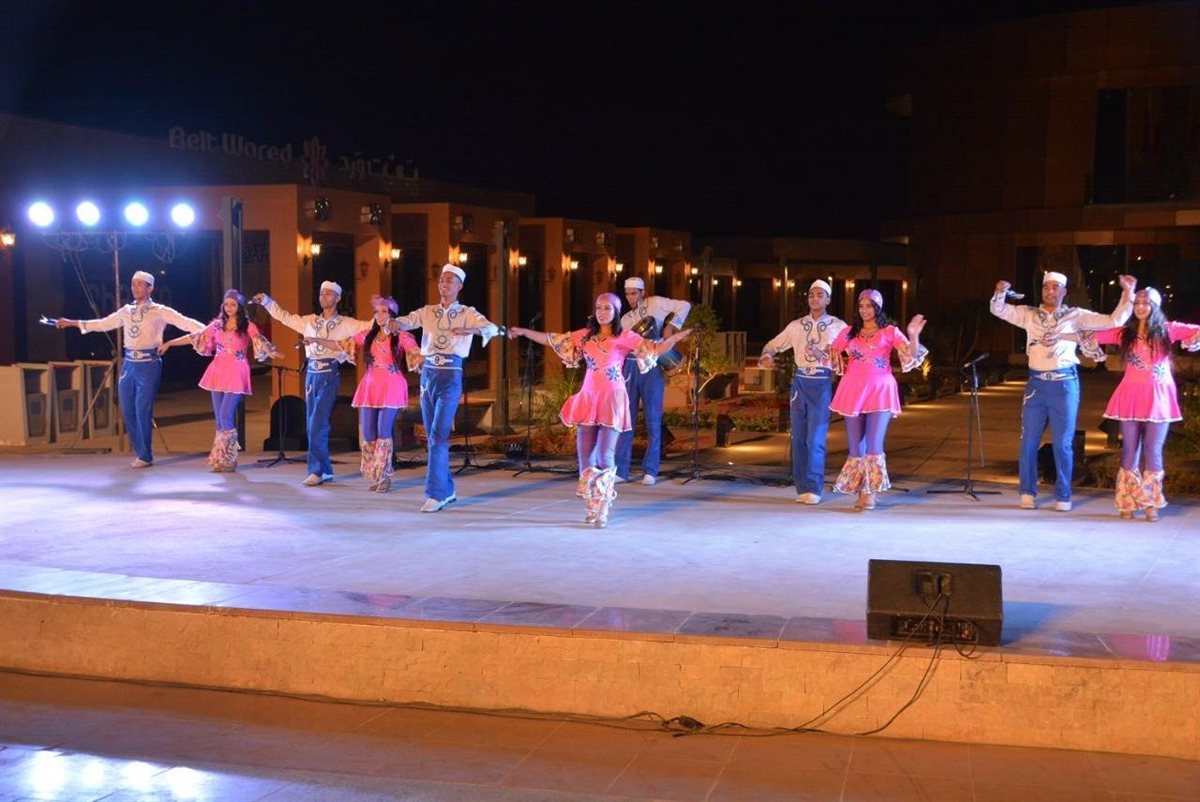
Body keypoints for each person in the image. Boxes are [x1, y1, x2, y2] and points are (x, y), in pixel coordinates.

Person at [508, 292, 692, 527]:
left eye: (607, 308)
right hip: (588, 398)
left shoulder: (624, 336)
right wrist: (524, 332)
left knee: (605, 454)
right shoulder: (585, 336)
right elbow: (553, 339)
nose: (602, 312)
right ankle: (591, 506)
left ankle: (603, 507)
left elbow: (654, 348)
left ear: (616, 312)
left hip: (611, 399)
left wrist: (674, 339)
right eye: (599, 308)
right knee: (585, 457)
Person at [990, 271, 1136, 511]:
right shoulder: (1029, 314)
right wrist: (1000, 292)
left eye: (1055, 287)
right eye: (1046, 287)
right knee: (1028, 442)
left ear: (1064, 291)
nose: (1050, 291)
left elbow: (1114, 320)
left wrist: (1127, 293)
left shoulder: (1075, 315)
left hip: (1064, 384)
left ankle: (1063, 495)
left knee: (1063, 444)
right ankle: (1027, 491)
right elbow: (999, 310)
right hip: (1036, 385)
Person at [54, 270, 206, 468]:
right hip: (129, 364)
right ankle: (140, 451)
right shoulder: (126, 310)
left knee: (142, 409)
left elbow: (186, 322)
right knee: (127, 410)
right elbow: (103, 324)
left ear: (150, 288)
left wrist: (209, 330)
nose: (135, 288)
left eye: (140, 284)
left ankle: (145, 455)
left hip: (148, 364)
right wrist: (72, 323)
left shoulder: (160, 310)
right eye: (133, 284)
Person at [1075, 288, 1199, 521]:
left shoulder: (1168, 330)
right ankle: (1127, 500)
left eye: (1146, 302)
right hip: (1130, 397)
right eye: (1137, 303)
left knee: (1153, 450)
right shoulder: (1126, 333)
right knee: (1129, 450)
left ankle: (1150, 502)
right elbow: (1090, 335)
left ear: (1155, 306)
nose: (1141, 306)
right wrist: (1057, 334)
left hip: (1159, 399)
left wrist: (1193, 340)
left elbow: (1196, 331)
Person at [393, 264, 501, 512]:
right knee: (432, 437)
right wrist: (391, 321)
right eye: (441, 280)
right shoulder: (428, 311)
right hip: (428, 375)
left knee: (439, 435)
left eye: (449, 280)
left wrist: (469, 329)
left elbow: (492, 329)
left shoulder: (467, 312)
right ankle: (447, 489)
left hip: (450, 375)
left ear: (459, 286)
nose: (443, 284)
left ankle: (436, 493)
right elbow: (406, 321)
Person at [253, 281, 376, 486]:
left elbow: (370, 326)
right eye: (321, 293)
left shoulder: (346, 323)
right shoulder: (309, 321)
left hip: (329, 373)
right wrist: (267, 302)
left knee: (317, 423)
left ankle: (316, 470)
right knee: (312, 424)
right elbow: (284, 317)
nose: (323, 297)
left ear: (337, 298)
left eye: (328, 294)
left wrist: (382, 311)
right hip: (311, 374)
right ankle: (324, 470)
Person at [304, 295, 421, 493]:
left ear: (392, 314)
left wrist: (428, 357)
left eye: (384, 312)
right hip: (369, 386)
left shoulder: (401, 336)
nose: (379, 315)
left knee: (383, 431)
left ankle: (383, 476)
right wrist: (316, 339)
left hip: (391, 386)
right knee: (367, 433)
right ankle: (375, 475)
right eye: (376, 312)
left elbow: (416, 353)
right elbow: (341, 345)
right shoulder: (367, 335)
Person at [828, 289, 927, 511]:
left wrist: (913, 335)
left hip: (880, 390)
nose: (864, 310)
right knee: (856, 447)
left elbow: (911, 355)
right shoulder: (849, 332)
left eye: (869, 306)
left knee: (874, 444)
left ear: (878, 308)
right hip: (853, 390)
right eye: (861, 306)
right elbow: (831, 353)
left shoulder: (889, 331)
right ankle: (860, 489)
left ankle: (869, 492)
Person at [160, 290, 280, 472]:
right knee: (219, 419)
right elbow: (195, 336)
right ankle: (219, 457)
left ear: (239, 306)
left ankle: (230, 457)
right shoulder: (217, 325)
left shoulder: (247, 325)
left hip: (236, 371)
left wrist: (270, 350)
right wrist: (169, 343)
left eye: (233, 304)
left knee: (225, 415)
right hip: (217, 371)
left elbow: (259, 339)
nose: (229, 308)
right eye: (226, 304)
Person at [758, 279, 847, 504]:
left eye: (819, 295)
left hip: (822, 383)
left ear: (828, 299)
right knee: (798, 438)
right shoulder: (796, 326)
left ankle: (814, 487)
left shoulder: (838, 326)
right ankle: (802, 487)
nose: (814, 298)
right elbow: (773, 345)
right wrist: (767, 355)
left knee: (815, 438)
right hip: (800, 383)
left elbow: (854, 350)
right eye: (811, 295)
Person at [616, 276, 692, 485]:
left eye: (634, 293)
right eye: (627, 294)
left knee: (653, 418)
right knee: (626, 420)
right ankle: (621, 470)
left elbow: (684, 305)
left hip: (652, 364)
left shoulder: (656, 303)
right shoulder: (625, 319)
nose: (630, 297)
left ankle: (651, 469)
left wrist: (671, 326)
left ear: (643, 292)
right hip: (630, 366)